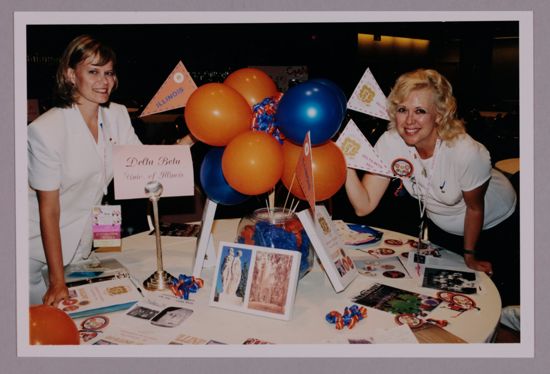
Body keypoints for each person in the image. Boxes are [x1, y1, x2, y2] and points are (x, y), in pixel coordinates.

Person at [27, 35, 197, 306]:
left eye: (108, 73)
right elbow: (49, 209)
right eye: (93, 71)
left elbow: (147, 166)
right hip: (34, 253)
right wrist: (57, 281)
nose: (103, 81)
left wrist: (193, 136)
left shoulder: (116, 115)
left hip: (83, 247)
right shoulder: (44, 131)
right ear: (71, 75)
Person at [345, 69, 518, 304]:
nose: (408, 121)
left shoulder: (465, 152)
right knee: (445, 300)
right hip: (443, 226)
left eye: (420, 111)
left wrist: (470, 255)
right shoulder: (391, 141)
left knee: (496, 301)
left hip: (493, 225)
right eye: (402, 110)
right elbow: (363, 206)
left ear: (439, 115)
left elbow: (475, 209)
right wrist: (345, 163)